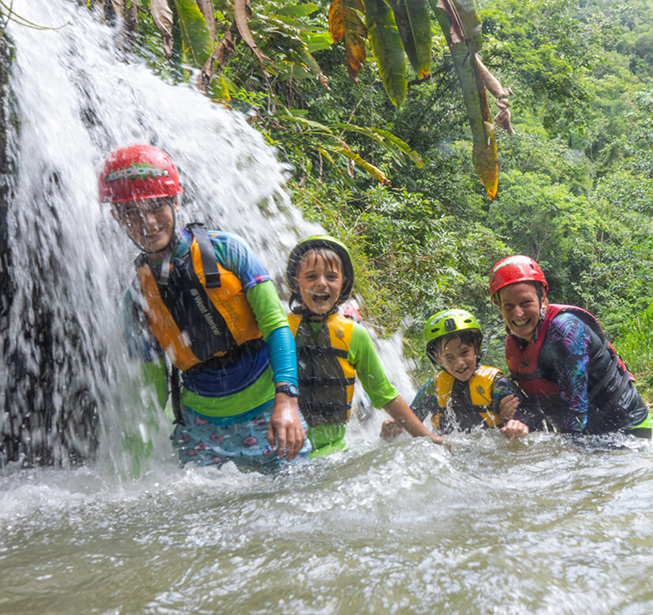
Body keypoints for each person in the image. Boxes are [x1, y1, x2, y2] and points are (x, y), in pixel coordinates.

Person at [101, 144, 308, 470]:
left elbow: (276, 326)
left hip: (270, 412)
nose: (148, 221)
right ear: (116, 218)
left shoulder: (229, 250)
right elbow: (151, 387)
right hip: (200, 432)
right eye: (131, 213)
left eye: (157, 206)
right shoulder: (136, 299)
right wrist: (131, 472)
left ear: (176, 202)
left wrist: (286, 401)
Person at [286, 235, 444, 456]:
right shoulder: (281, 329)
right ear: (296, 282)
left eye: (331, 277)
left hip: (333, 453)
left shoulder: (355, 334)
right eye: (311, 276)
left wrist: (428, 437)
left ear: (344, 284)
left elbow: (384, 394)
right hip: (285, 452)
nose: (321, 283)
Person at [488, 255, 652, 439]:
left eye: (526, 303)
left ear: (542, 299)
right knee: (499, 385)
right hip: (587, 433)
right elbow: (537, 408)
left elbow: (576, 408)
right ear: (499, 307)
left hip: (627, 429)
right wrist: (517, 419)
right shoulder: (515, 344)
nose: (518, 313)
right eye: (508, 306)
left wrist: (565, 455)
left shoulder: (565, 330)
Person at [401, 309, 527, 435]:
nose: (459, 363)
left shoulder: (497, 384)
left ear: (476, 348)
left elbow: (532, 417)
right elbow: (408, 424)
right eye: (449, 357)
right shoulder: (432, 389)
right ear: (438, 358)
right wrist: (393, 430)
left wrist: (518, 423)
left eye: (464, 352)